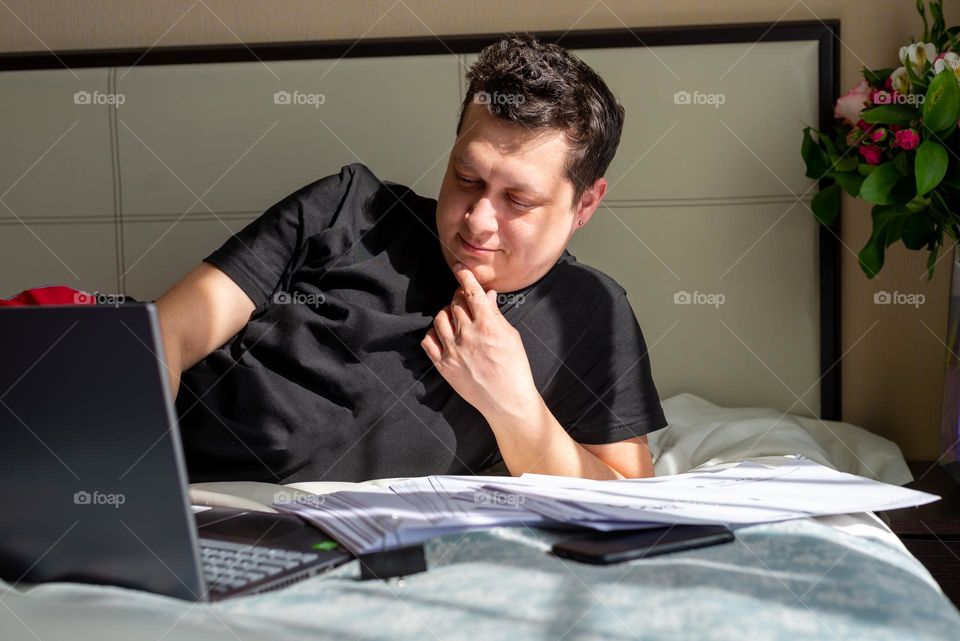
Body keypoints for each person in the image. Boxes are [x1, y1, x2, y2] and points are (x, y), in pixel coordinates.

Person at [157, 33, 667, 484]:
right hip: (171, 469)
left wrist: (513, 405)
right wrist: (131, 475)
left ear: (585, 204)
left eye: (519, 201)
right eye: (467, 179)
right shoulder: (351, 208)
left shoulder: (589, 311)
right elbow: (167, 333)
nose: (477, 221)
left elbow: (624, 492)